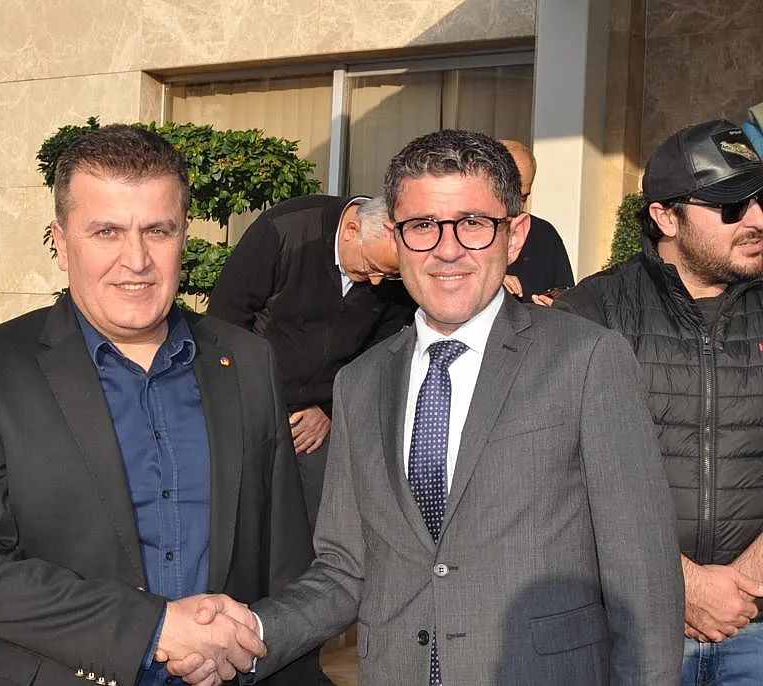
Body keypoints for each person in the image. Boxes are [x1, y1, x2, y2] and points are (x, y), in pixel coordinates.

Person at [170, 130, 685, 685]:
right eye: (422, 226)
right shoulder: (360, 384)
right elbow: (344, 571)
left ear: (515, 236)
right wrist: (251, 632)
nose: (447, 249)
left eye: (473, 223)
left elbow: (642, 575)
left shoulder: (588, 359)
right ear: (396, 237)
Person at [0, 125, 317, 686]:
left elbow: (286, 565)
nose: (136, 260)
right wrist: (156, 629)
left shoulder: (249, 361)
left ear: (183, 235)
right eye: (106, 231)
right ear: (62, 243)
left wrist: (256, 652)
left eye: (158, 230)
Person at [554, 119, 763, 685]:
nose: (756, 219)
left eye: (761, 200)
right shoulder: (591, 314)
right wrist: (683, 583)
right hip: (631, 626)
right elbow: (559, 474)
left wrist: (746, 582)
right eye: (731, 206)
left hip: (755, 624)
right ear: (666, 217)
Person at [208, 194, 415, 529]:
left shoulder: (397, 272)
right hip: (250, 402)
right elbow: (225, 322)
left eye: (389, 274)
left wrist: (330, 409)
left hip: (317, 417)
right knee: (238, 516)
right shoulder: (286, 230)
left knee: (321, 522)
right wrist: (246, 402)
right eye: (372, 266)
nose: (377, 281)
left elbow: (377, 355)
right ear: (351, 230)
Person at [498, 139, 574, 305]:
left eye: (522, 198)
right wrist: (489, 283)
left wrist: (554, 307)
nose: (514, 207)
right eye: (508, 195)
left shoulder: (543, 234)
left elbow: (566, 296)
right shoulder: (459, 229)